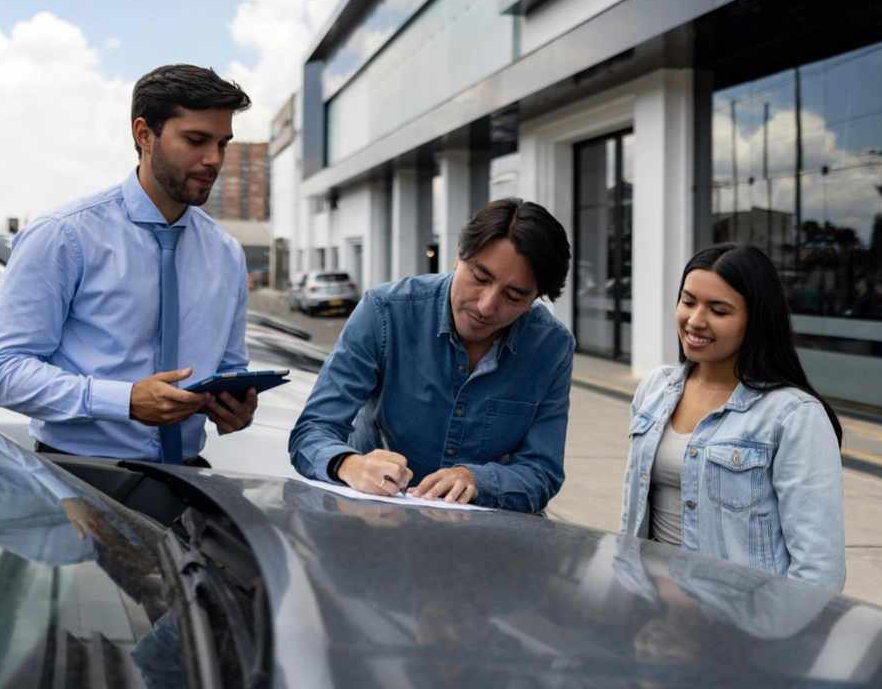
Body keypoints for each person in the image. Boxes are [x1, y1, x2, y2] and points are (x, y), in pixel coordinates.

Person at [0, 64, 258, 464]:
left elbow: (230, 368)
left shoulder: (226, 253)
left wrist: (236, 409)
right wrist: (123, 400)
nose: (214, 159)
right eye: (196, 140)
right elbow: (0, 371)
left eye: (223, 144)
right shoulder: (64, 235)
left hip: (188, 479)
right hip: (81, 477)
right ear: (144, 135)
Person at [288, 198, 575, 513]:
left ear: (535, 297)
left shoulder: (552, 348)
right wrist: (348, 464)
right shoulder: (384, 313)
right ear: (457, 257)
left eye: (513, 296)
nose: (486, 306)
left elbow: (541, 472)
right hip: (374, 523)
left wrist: (478, 481)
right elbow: (312, 431)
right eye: (479, 278)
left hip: (483, 540)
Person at [619, 243, 846, 590]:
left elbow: (819, 571)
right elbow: (632, 517)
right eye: (688, 301)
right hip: (648, 610)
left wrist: (763, 636)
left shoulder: (793, 417)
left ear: (755, 321)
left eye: (719, 311)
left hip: (734, 626)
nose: (695, 320)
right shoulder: (654, 389)